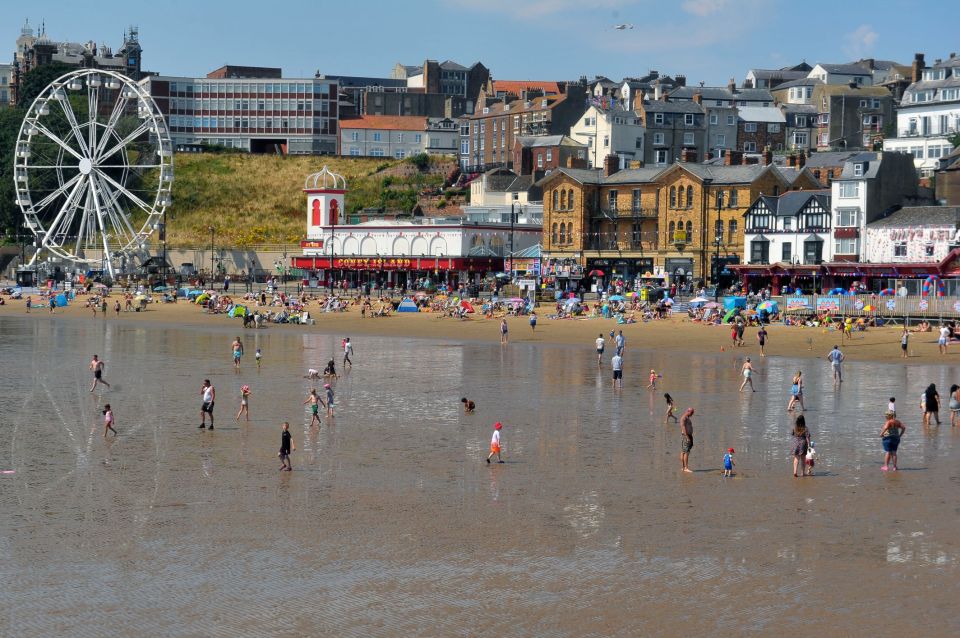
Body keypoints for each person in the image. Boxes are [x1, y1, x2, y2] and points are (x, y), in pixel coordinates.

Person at [679, 408, 695, 473]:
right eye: (691, 413)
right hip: (686, 436)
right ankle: (686, 468)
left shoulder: (687, 417)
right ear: (688, 411)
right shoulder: (683, 418)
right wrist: (687, 437)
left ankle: (683, 467)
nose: (692, 414)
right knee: (686, 452)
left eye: (693, 413)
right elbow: (683, 428)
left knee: (683, 451)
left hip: (688, 435)